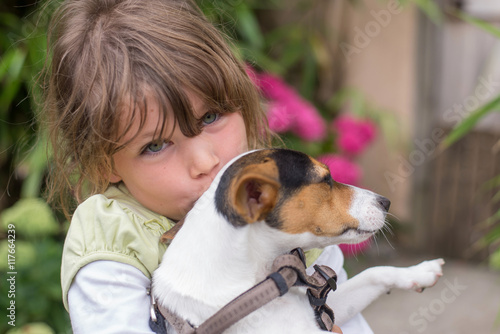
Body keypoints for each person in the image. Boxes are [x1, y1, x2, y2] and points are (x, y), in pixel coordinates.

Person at [42, 0, 365, 333]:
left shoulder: (286, 198)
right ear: (102, 162)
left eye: (211, 117)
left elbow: (343, 317)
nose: (205, 162)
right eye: (155, 146)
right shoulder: (115, 240)